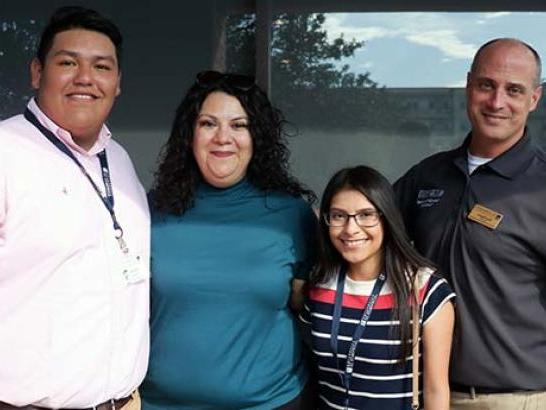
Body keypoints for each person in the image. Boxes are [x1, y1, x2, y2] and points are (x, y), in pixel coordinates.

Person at [0, 6, 149, 410]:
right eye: (68, 62)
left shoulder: (118, 159)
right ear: (36, 72)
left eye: (102, 67)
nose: (85, 78)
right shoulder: (6, 153)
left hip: (124, 403)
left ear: (117, 83)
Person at [140, 70, 317, 409]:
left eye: (239, 125)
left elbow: (320, 301)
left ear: (257, 137)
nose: (223, 137)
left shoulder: (290, 214)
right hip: (159, 404)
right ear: (189, 135)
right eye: (208, 123)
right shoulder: (150, 212)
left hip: (270, 402)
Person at [394, 38, 546, 409]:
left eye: (513, 90)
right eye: (486, 85)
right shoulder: (427, 176)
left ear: (534, 99)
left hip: (516, 399)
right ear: (468, 85)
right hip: (426, 393)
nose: (496, 102)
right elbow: (366, 230)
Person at [300, 166, 455, 410]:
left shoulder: (424, 288)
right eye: (339, 216)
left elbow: (436, 392)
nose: (351, 229)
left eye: (366, 215)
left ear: (387, 218)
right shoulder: (320, 284)